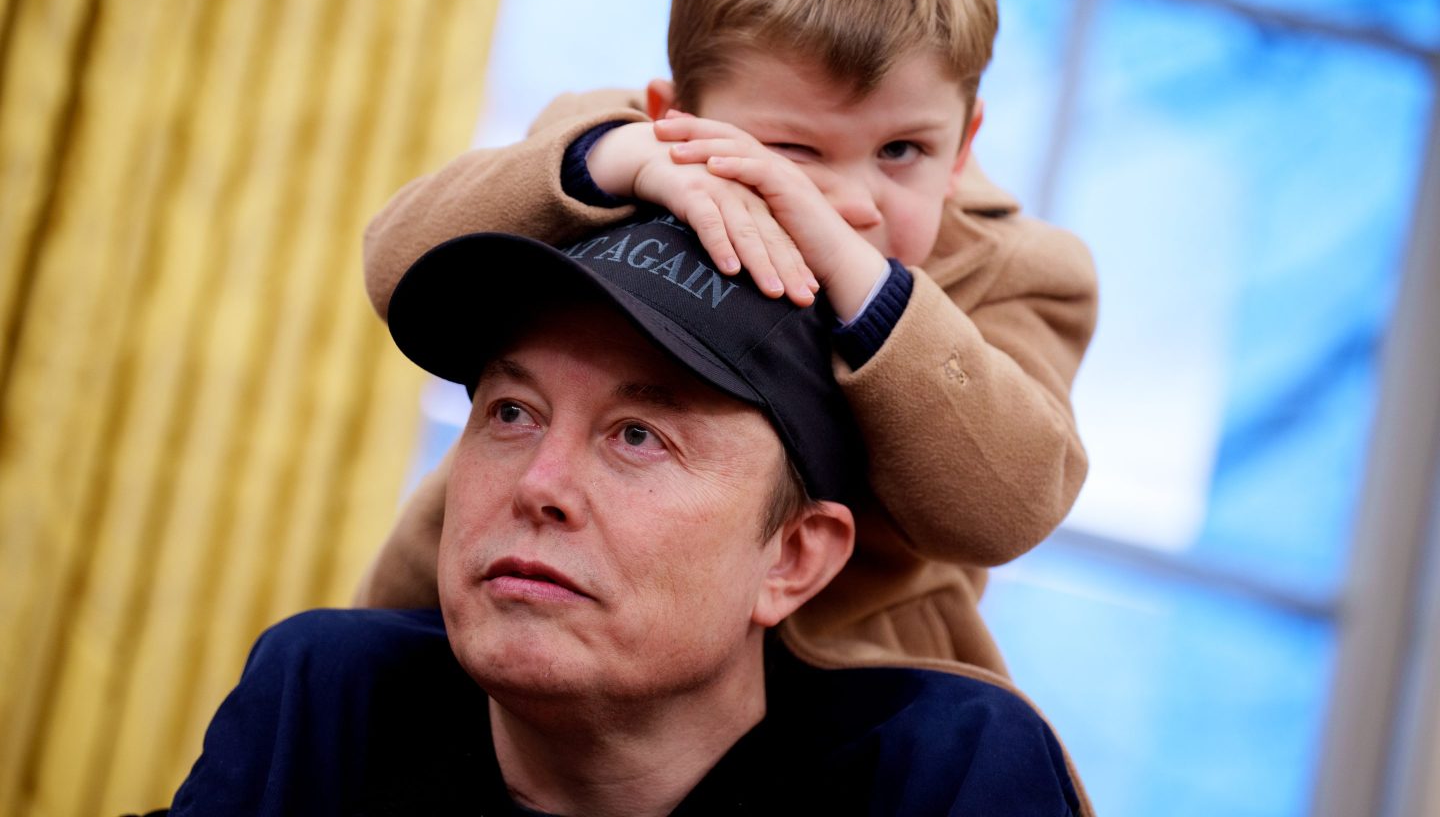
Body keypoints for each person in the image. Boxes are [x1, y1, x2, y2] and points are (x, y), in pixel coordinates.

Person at [357, 0, 1097, 678]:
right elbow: (396, 265)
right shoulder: (618, 156)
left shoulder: (1024, 272)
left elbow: (1006, 509)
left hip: (827, 701)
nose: (851, 205)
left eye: (901, 151)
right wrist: (617, 163)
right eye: (792, 151)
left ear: (963, 145)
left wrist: (869, 289)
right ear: (679, 117)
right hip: (504, 623)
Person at [168, 214, 1091, 816]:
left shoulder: (941, 776)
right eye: (512, 413)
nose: (540, 484)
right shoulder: (325, 702)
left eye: (639, 436)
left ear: (793, 557)